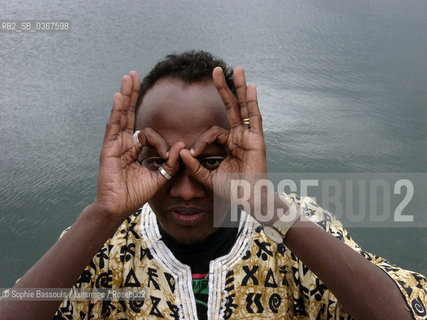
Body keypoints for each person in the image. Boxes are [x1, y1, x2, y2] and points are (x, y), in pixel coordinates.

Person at [0, 51, 426, 320]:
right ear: (136, 157)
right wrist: (101, 215)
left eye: (211, 162)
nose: (186, 191)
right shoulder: (101, 246)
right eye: (159, 162)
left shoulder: (296, 229)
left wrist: (265, 206)